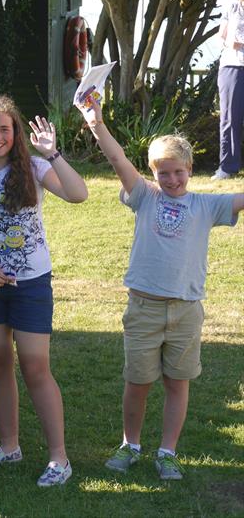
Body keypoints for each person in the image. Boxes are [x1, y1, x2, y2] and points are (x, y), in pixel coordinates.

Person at [79, 95, 244, 480]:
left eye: (178, 172)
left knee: (177, 382)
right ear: (153, 174)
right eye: (163, 173)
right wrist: (96, 124)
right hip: (144, 308)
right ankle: (130, 444)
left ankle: (167, 451)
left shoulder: (207, 205)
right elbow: (119, 161)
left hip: (187, 310)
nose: (171, 180)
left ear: (190, 169)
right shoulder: (145, 197)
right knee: (137, 382)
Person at [0, 96, 88, 487]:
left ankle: (59, 458)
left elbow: (78, 194)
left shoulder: (34, 167)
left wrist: (53, 155)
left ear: (16, 133)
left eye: (5, 129)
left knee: (35, 367)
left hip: (31, 283)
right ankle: (9, 445)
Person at [214, 0, 244, 180]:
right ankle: (228, 167)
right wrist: (231, 41)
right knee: (230, 118)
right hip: (232, 66)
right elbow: (222, 36)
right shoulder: (231, 4)